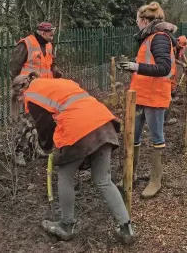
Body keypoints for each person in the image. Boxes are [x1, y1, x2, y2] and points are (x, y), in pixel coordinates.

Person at [11, 73, 135, 243]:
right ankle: (126, 228)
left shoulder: (31, 96)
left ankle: (66, 225)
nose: (20, 103)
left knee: (65, 177)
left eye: (18, 100)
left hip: (79, 129)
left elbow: (45, 125)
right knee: (103, 179)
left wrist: (47, 147)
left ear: (20, 92)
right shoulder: (56, 84)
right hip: (104, 124)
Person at [116, 1, 176, 199]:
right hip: (141, 95)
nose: (136, 24)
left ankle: (155, 180)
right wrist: (133, 66)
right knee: (134, 135)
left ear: (143, 21)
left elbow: (164, 68)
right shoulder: (149, 38)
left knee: (157, 138)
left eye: (136, 21)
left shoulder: (159, 38)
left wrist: (135, 67)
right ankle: (131, 174)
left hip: (154, 97)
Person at [9, 22, 64, 166]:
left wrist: (56, 71)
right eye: (50, 32)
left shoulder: (49, 45)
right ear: (41, 32)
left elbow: (52, 64)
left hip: (45, 91)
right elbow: (13, 67)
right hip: (30, 91)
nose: (52, 35)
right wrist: (18, 88)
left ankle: (35, 148)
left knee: (39, 121)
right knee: (28, 121)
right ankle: (17, 152)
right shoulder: (26, 44)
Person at [165, 35, 187, 125]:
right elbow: (173, 59)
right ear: (178, 43)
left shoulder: (181, 46)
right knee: (170, 82)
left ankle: (172, 92)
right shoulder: (172, 46)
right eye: (180, 46)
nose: (181, 48)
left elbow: (183, 55)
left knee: (174, 81)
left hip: (173, 68)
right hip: (169, 67)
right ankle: (170, 96)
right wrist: (181, 63)